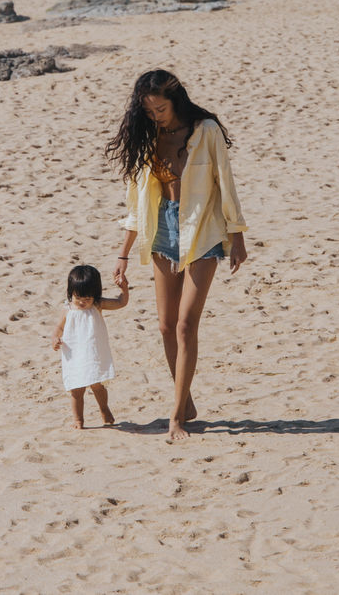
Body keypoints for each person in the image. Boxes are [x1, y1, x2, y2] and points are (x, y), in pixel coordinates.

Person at [106, 70, 247, 440]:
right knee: (166, 326)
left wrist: (238, 236)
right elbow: (136, 203)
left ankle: (176, 418)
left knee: (186, 325)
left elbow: (225, 184)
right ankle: (186, 402)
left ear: (176, 99)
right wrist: (122, 255)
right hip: (161, 230)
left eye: (162, 109)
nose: (158, 116)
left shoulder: (206, 132)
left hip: (201, 230)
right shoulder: (146, 137)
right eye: (150, 111)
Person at [52, 264, 129, 429]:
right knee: (76, 389)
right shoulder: (68, 309)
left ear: (95, 295)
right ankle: (78, 420)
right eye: (78, 298)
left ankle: (104, 408)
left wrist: (124, 289)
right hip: (74, 354)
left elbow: (121, 302)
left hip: (93, 353)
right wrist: (55, 339)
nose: (82, 302)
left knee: (97, 385)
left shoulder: (97, 305)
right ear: (70, 293)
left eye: (87, 299)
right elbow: (59, 328)